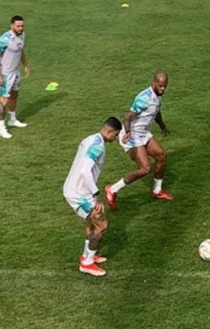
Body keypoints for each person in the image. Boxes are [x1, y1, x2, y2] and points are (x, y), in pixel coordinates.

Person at [63, 117, 123, 277]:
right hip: (80, 193)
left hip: (75, 188)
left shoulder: (90, 139)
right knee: (101, 225)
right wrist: (95, 195)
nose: (115, 139)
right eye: (115, 135)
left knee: (92, 221)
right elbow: (85, 171)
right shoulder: (98, 146)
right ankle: (87, 263)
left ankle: (87, 255)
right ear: (109, 131)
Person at [105, 72, 174, 209]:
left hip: (142, 133)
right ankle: (112, 189)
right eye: (160, 86)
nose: (162, 89)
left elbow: (156, 112)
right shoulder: (145, 98)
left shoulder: (158, 96)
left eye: (165, 86)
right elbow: (127, 116)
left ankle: (157, 191)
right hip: (132, 135)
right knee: (145, 168)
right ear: (153, 83)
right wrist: (128, 132)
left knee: (161, 156)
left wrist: (162, 125)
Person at [0, 15, 30, 139]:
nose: (20, 28)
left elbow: (21, 51)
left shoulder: (22, 35)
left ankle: (12, 119)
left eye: (22, 26)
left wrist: (25, 65)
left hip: (15, 72)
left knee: (14, 95)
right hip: (5, 74)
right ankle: (1, 128)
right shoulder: (5, 39)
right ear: (12, 25)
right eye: (18, 26)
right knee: (4, 100)